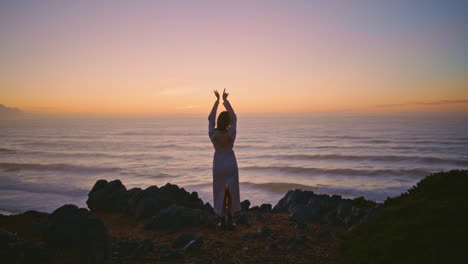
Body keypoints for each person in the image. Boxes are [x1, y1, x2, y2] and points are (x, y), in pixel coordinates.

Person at [208, 88, 241, 229]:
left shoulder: (213, 134)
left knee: (219, 190)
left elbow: (210, 118)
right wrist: (225, 101)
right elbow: (234, 117)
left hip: (219, 165)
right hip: (231, 164)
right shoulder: (231, 133)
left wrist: (216, 102)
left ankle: (221, 219)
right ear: (227, 122)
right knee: (230, 191)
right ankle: (230, 219)